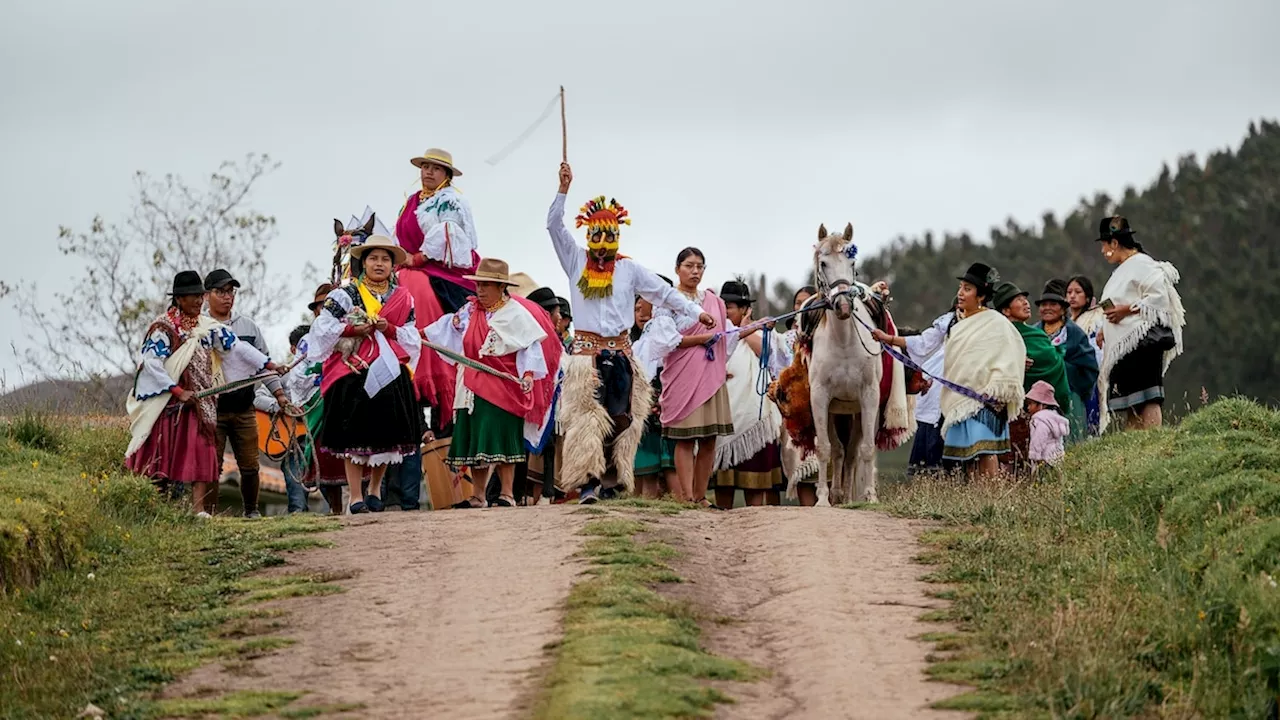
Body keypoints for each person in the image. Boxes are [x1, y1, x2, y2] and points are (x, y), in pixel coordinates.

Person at [547, 162, 714, 504]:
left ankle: (610, 483)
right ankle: (588, 484)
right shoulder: (575, 260)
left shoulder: (629, 269)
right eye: (597, 234)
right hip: (586, 357)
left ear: (618, 235)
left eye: (610, 235)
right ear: (588, 234)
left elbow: (664, 294)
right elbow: (553, 225)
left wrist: (697, 312)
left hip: (622, 355)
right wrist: (563, 190)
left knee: (621, 420)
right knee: (587, 420)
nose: (603, 241)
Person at [125, 271, 280, 517]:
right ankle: (155, 512)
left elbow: (236, 347)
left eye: (199, 296)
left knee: (202, 453)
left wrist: (268, 365)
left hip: (201, 403)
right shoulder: (163, 329)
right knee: (161, 458)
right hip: (168, 405)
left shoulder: (207, 327)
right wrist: (177, 390)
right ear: (179, 299)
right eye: (192, 297)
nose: (198, 301)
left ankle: (200, 512)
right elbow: (152, 364)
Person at [307, 236, 423, 514]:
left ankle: (374, 490)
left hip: (389, 369)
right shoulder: (345, 295)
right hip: (353, 370)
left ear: (393, 265)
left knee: (386, 435)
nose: (379, 264)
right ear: (364, 263)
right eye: (374, 258)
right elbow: (322, 328)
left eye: (385, 259)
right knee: (355, 436)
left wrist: (389, 329)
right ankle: (356, 496)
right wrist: (351, 330)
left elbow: (411, 336)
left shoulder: (403, 298)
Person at [878, 264, 1025, 478]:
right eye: (960, 287)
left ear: (981, 295)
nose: (961, 293)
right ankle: (977, 505)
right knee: (966, 458)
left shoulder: (997, 324)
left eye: (967, 289)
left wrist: (997, 388)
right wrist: (889, 339)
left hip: (986, 398)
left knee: (986, 452)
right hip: (959, 400)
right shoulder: (950, 321)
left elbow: (1010, 355)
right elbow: (923, 343)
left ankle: (992, 501)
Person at [426, 258, 553, 508]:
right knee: (475, 435)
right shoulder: (469, 311)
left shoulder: (516, 314)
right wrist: (418, 334)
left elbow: (530, 347)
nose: (480, 290)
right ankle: (478, 495)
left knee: (502, 435)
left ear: (501, 287)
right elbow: (448, 331)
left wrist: (528, 375)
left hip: (502, 384)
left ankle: (506, 493)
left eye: (486, 285)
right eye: (478, 284)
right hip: (470, 380)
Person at [394, 148, 479, 431]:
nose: (428, 172)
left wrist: (417, 258)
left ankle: (438, 361)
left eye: (436, 168)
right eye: (425, 167)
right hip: (405, 264)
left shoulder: (452, 201)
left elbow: (449, 235)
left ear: (446, 175)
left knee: (419, 286)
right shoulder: (411, 201)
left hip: (443, 268)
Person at [203, 268, 289, 518]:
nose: (227, 296)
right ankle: (207, 512)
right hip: (212, 411)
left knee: (250, 465)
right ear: (207, 296)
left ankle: (251, 511)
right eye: (221, 291)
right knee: (212, 465)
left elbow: (263, 365)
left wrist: (280, 395)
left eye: (231, 291)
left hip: (244, 408)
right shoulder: (201, 329)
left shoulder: (248, 327)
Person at [1095, 216, 1186, 432]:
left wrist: (1125, 309)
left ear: (1114, 243)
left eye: (1104, 245)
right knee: (1131, 404)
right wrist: (1104, 329)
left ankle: (1153, 443)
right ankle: (1135, 449)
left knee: (1148, 399)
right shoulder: (1120, 270)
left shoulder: (1142, 264)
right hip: (1125, 348)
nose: (1102, 251)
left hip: (1143, 343)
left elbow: (1158, 298)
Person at [712, 280, 782, 508]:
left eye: (730, 306)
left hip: (754, 414)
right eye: (723, 306)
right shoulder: (716, 334)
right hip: (725, 410)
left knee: (755, 476)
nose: (726, 311)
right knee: (724, 476)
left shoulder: (761, 334)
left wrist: (746, 327)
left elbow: (766, 353)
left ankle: (755, 519)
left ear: (744, 309)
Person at [993, 281, 1071, 476]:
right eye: (1019, 300)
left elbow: (1050, 360)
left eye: (1025, 299)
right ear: (1006, 310)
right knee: (1014, 459)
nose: (1026, 303)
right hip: (1011, 408)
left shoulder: (1036, 334)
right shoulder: (1000, 336)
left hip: (1038, 411)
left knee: (1038, 459)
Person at [254, 324, 314, 513]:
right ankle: (297, 510)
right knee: (295, 457)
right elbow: (257, 397)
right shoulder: (283, 374)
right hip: (292, 438)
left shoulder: (325, 372)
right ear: (293, 349)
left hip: (318, 432)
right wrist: (281, 406)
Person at [1034, 279, 1099, 443]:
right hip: (1036, 400)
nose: (1047, 308)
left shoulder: (1074, 334)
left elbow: (1089, 367)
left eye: (1053, 304)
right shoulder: (1033, 333)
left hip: (1070, 395)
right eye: (1044, 304)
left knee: (1070, 440)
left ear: (1063, 308)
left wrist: (1062, 369)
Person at [631, 283, 677, 499]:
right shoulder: (636, 339)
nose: (640, 310)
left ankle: (678, 499)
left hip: (664, 398)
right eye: (636, 307)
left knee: (669, 460)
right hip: (643, 402)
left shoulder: (667, 330)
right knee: (645, 458)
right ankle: (645, 500)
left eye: (644, 303)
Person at [1066, 275, 1106, 435]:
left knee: (1090, 417)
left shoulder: (1095, 318)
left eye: (1077, 292)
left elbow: (1097, 349)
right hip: (1069, 378)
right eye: (1069, 292)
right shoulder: (1066, 323)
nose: (1072, 296)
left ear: (1088, 296)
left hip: (1088, 376)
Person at [1025, 380, 1069, 478]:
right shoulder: (1055, 418)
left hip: (1043, 460)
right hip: (1056, 459)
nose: (1028, 407)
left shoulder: (1039, 420)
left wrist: (1034, 457)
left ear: (1042, 405)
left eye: (1031, 404)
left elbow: (1038, 440)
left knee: (1041, 483)